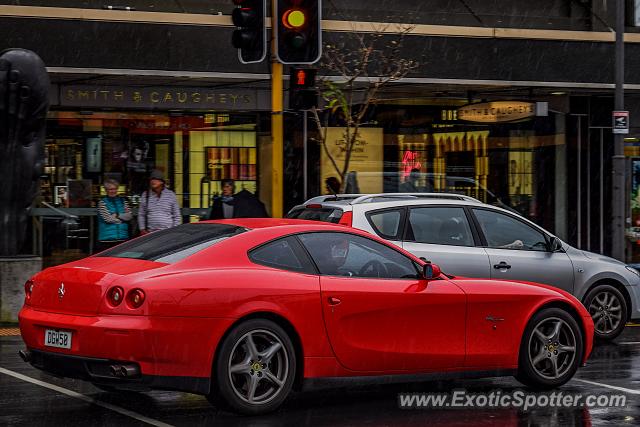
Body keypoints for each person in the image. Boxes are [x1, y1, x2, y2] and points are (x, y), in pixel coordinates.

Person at [138, 170, 181, 234]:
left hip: (167, 232)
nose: (152, 181)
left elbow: (177, 215)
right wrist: (142, 229)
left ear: (161, 182)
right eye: (151, 179)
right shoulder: (146, 195)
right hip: (150, 233)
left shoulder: (170, 195)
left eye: (155, 179)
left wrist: (173, 230)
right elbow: (141, 214)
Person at [96, 179, 132, 252]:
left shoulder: (123, 201)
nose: (113, 191)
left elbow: (129, 216)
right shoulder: (102, 203)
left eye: (115, 189)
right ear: (106, 190)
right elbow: (108, 219)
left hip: (123, 237)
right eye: (110, 189)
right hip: (107, 239)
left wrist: (117, 215)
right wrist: (122, 219)